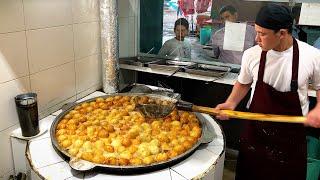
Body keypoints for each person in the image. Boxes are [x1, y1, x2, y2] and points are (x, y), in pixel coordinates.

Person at [215, 4, 320, 180]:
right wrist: (231, 102)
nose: (256, 38)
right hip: (256, 134)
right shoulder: (252, 55)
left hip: (291, 138)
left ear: (283, 33)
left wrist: (318, 110)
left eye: (262, 34)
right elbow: (243, 82)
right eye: (256, 31)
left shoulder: (311, 56)